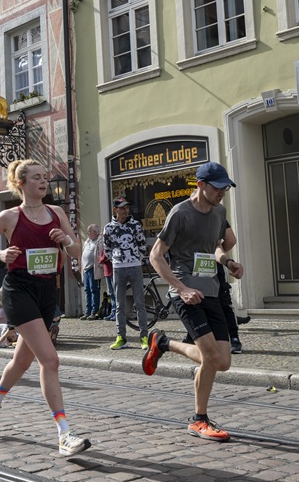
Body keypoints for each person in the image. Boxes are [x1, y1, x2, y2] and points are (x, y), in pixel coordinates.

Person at [0, 159, 91, 458]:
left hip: (46, 290)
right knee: (50, 360)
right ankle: (64, 433)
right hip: (19, 290)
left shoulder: (56, 212)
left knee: (23, 360)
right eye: (37, 178)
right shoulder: (9, 216)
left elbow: (77, 249)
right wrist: (1, 252)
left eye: (45, 177)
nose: (43, 182)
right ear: (22, 183)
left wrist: (66, 240)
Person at [144, 161, 243, 442]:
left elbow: (214, 246)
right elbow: (156, 255)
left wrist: (228, 262)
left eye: (226, 187)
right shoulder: (179, 214)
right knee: (210, 356)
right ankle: (199, 419)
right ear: (200, 185)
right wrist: (181, 288)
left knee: (222, 361)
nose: (223, 192)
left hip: (210, 289)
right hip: (186, 293)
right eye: (218, 187)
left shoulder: (218, 212)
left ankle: (163, 343)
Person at [102, 197, 150, 350]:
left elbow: (142, 244)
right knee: (119, 305)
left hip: (135, 266)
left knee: (140, 303)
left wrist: (138, 259)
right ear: (115, 210)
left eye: (127, 208)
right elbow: (107, 248)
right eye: (121, 208)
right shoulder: (108, 228)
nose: (125, 211)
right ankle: (121, 337)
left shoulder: (135, 225)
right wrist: (116, 259)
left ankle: (144, 336)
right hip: (118, 267)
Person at [80, 224, 103, 320]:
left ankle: (94, 311)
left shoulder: (99, 241)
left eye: (89, 231)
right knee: (87, 290)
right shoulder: (87, 242)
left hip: (93, 269)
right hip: (86, 269)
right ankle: (87, 311)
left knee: (94, 290)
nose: (87, 233)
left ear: (95, 232)